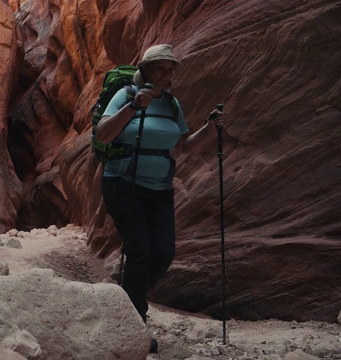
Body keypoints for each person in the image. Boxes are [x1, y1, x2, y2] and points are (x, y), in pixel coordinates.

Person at [95, 44, 226, 352]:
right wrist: (133, 108)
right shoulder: (126, 95)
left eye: (171, 69)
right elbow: (102, 134)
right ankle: (134, 323)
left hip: (160, 189)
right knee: (141, 252)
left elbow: (183, 145)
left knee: (163, 253)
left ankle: (127, 294)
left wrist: (209, 128)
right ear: (146, 69)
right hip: (123, 183)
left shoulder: (171, 104)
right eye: (161, 68)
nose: (167, 75)